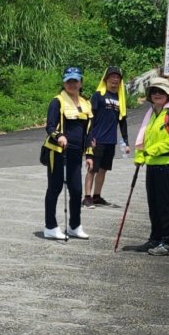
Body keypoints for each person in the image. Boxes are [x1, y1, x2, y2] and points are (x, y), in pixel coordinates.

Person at [123, 77, 169, 256]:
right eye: (154, 92)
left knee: (165, 205)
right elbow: (145, 140)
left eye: (161, 92)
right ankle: (155, 238)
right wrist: (141, 155)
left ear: (168, 95)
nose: (157, 94)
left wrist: (153, 150)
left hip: (168, 165)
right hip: (152, 165)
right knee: (154, 204)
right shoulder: (151, 115)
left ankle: (166, 242)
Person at [43, 66, 93, 240]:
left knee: (77, 190)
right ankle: (50, 226)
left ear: (81, 82)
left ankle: (74, 225)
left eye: (75, 81)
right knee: (55, 188)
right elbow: (50, 126)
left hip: (76, 154)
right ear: (64, 82)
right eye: (68, 81)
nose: (72, 84)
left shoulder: (86, 102)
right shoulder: (57, 101)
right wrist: (60, 136)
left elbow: (89, 132)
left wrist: (90, 154)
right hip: (57, 151)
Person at [83, 66, 130, 207]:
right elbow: (90, 117)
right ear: (106, 79)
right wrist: (89, 137)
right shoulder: (98, 96)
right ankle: (87, 197)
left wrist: (126, 141)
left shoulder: (120, 99)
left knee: (103, 170)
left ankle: (96, 196)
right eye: (112, 77)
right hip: (97, 139)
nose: (115, 80)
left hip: (110, 141)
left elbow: (122, 121)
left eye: (118, 77)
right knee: (92, 168)